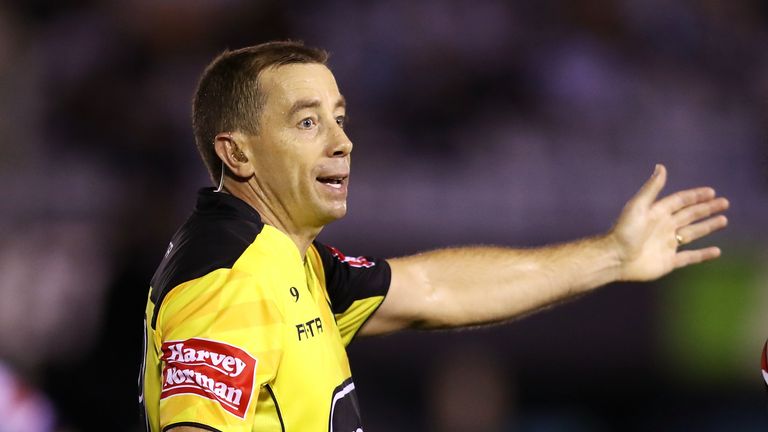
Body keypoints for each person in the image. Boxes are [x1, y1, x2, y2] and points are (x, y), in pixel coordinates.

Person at [139, 41, 729, 432]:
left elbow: (432, 290)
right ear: (236, 152)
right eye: (307, 122)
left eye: (339, 118)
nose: (341, 142)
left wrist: (611, 255)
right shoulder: (232, 275)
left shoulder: (290, 261)